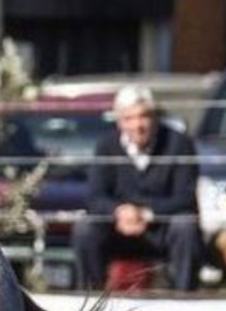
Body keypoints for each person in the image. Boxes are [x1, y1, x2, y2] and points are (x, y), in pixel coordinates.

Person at [72, 85, 204, 291]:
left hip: (162, 229)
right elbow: (95, 196)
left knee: (185, 225)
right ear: (119, 121)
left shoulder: (179, 144)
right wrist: (120, 212)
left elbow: (186, 197)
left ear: (155, 117)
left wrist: (146, 214)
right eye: (129, 118)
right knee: (86, 228)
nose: (137, 125)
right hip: (118, 229)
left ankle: (185, 297)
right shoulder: (106, 146)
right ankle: (89, 302)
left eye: (143, 116)